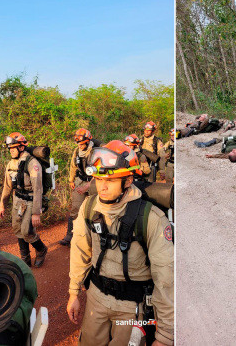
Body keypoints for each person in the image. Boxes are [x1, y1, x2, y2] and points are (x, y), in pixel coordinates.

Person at [67, 140, 174, 346]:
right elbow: (79, 250)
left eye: (111, 180)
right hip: (96, 298)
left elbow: (165, 279)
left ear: (128, 180)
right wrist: (73, 292)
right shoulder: (89, 207)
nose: (102, 187)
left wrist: (165, 336)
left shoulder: (151, 218)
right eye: (98, 178)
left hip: (133, 307)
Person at [0, 132, 48, 268]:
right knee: (16, 228)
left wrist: (36, 212)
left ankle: (41, 249)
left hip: (31, 200)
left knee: (27, 231)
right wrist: (2, 205)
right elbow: (7, 186)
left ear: (21, 147)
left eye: (13, 148)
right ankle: (25, 258)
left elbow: (38, 189)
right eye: (9, 148)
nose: (11, 151)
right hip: (17, 200)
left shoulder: (33, 164)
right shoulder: (10, 164)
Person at [59, 128, 96, 246]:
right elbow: (73, 166)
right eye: (78, 143)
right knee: (75, 209)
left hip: (94, 182)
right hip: (80, 180)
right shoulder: (76, 151)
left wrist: (88, 186)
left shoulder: (96, 152)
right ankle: (71, 235)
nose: (80, 145)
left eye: (82, 143)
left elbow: (99, 172)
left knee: (94, 210)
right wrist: (71, 180)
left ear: (87, 141)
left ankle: (92, 238)